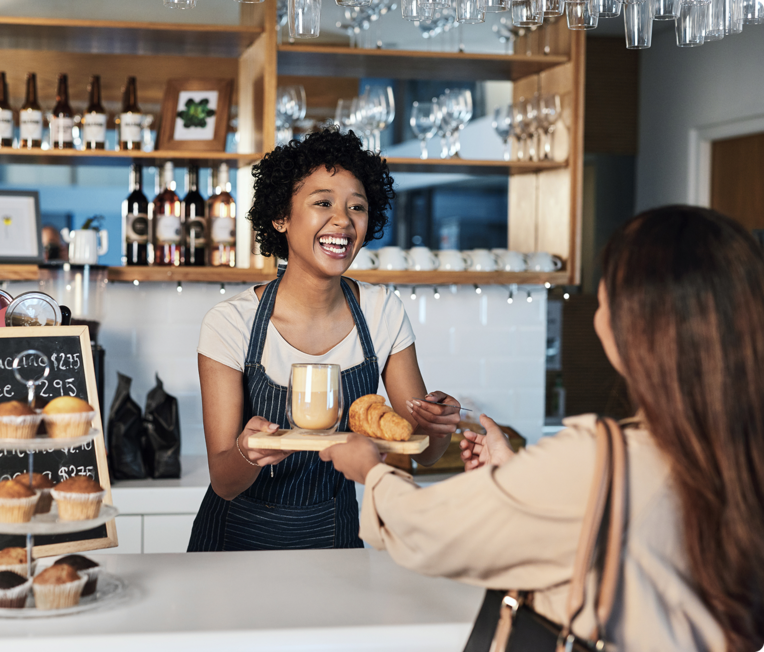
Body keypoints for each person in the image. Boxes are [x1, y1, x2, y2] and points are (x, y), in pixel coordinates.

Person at [321, 206, 764, 651]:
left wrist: (372, 472)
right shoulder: (738, 450)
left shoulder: (597, 459)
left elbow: (431, 531)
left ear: (636, 325)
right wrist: (519, 475)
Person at [188, 128, 462, 552]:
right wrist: (248, 452)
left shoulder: (381, 312)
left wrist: (438, 426)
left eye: (357, 207)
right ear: (281, 216)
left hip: (335, 538)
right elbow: (224, 481)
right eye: (322, 203)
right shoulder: (231, 323)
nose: (343, 220)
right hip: (235, 545)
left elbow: (420, 451)